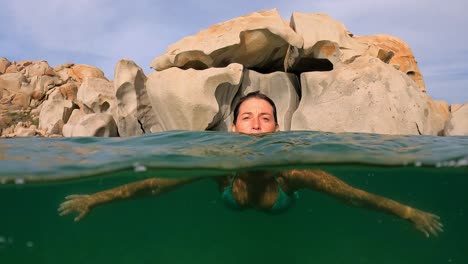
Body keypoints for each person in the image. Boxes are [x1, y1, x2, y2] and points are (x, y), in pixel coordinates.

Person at [58, 92, 443, 237]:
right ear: (233, 127)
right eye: (247, 118)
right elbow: (154, 184)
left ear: (278, 127)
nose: (257, 125)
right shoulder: (221, 166)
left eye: (265, 118)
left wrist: (407, 212)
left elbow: (354, 196)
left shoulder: (295, 172)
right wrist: (96, 199)